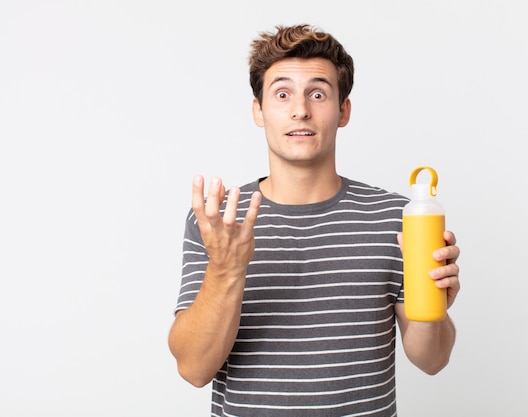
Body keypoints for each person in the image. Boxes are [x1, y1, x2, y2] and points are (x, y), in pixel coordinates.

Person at [168, 24, 461, 416]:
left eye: (318, 94)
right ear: (258, 110)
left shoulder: (398, 217)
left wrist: (434, 305)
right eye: (282, 93)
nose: (300, 109)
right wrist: (226, 270)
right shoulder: (219, 219)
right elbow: (193, 368)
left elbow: (432, 360)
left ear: (343, 111)